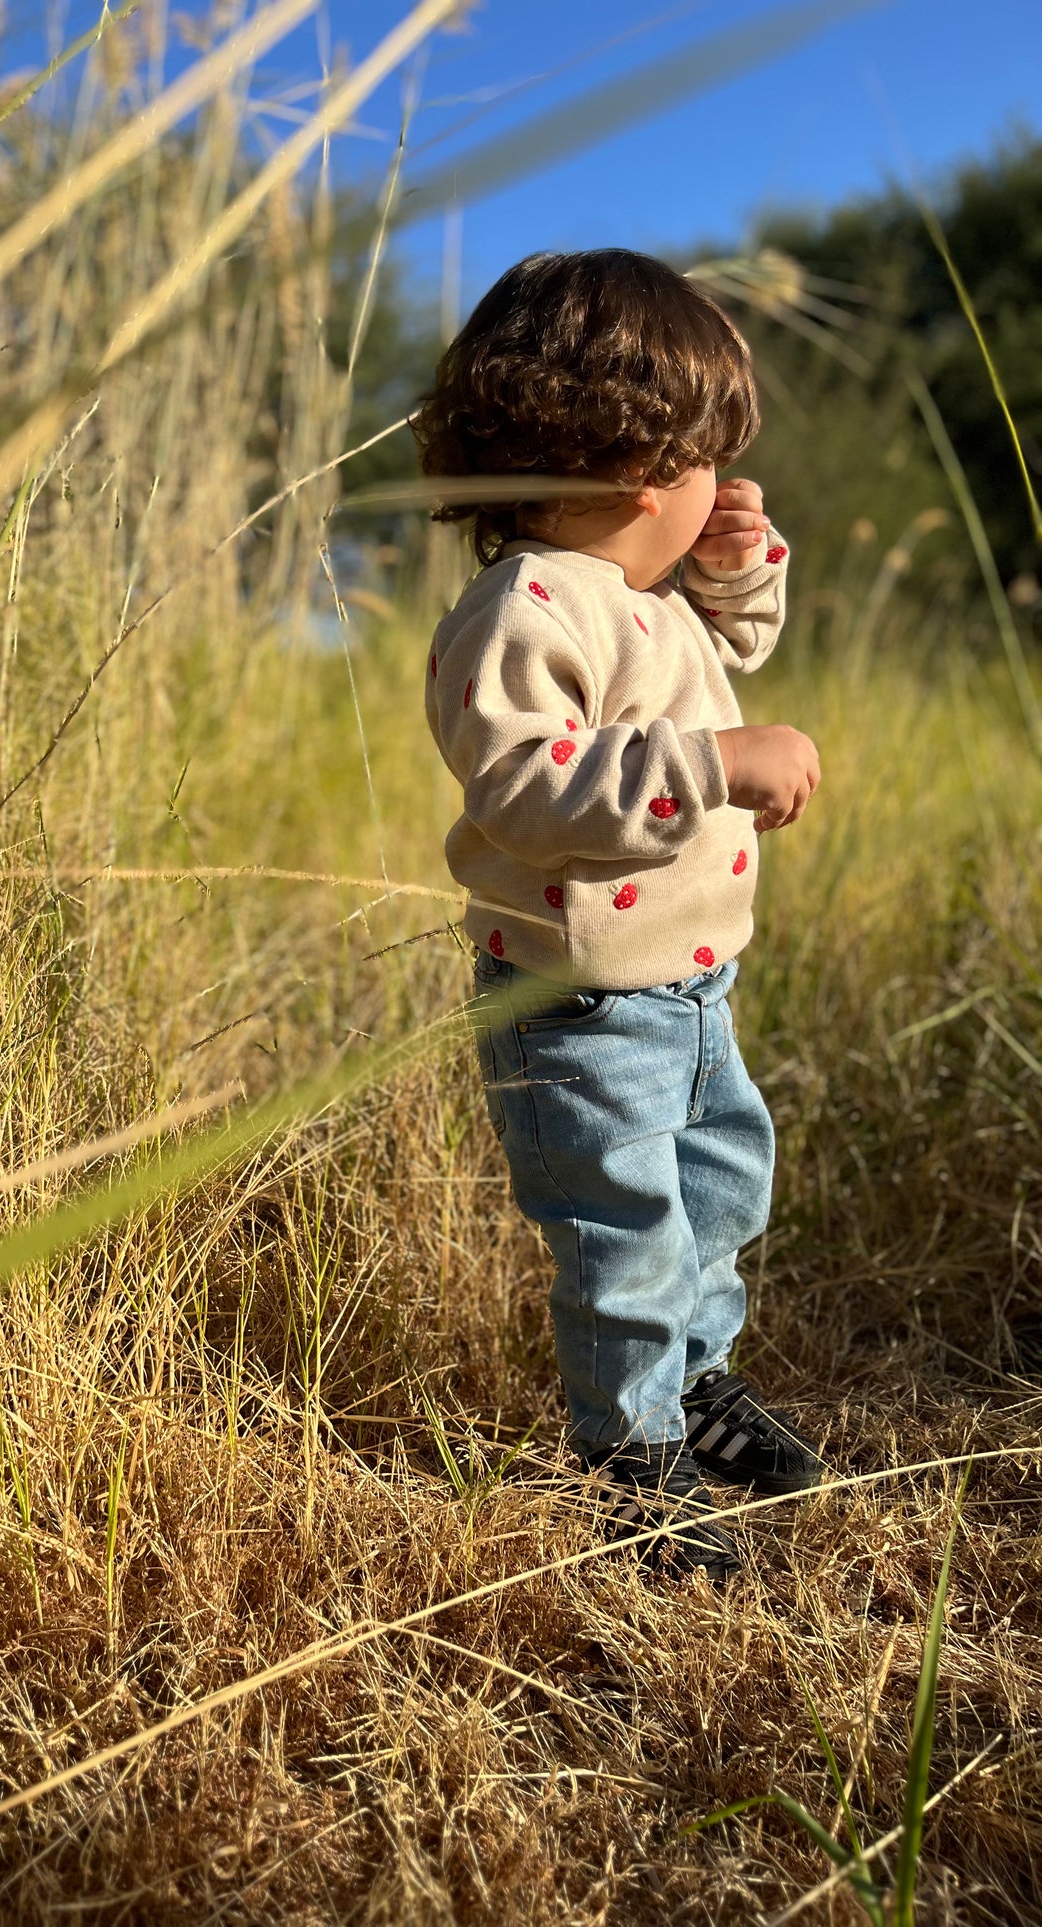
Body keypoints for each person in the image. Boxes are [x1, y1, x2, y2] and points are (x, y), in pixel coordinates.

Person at [411, 249, 824, 1584]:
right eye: (709, 463)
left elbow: (733, 645)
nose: (718, 484)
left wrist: (736, 559)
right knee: (622, 1240)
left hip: (690, 990)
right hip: (581, 1011)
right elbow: (528, 790)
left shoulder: (639, 601)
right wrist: (714, 767)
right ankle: (628, 1461)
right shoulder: (520, 612)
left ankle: (694, 1385)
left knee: (711, 1202)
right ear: (641, 471)